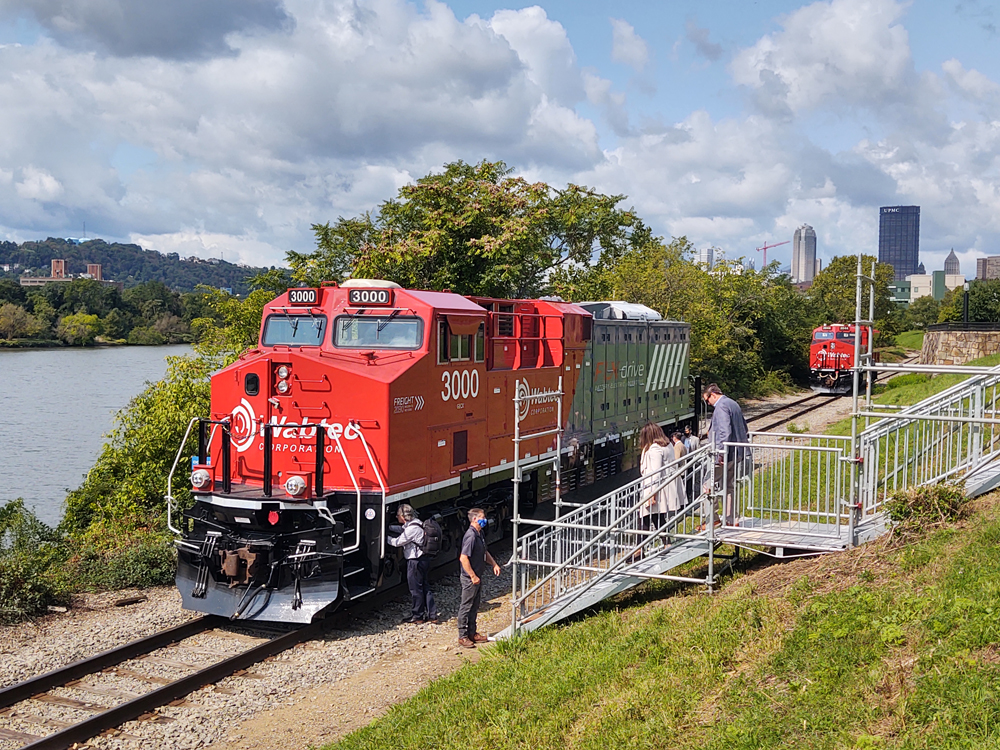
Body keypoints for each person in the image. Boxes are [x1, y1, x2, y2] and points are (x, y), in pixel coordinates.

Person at [703, 383, 749, 526]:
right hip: (736, 453)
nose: (708, 404)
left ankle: (712, 519)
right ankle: (731, 520)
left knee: (707, 484)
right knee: (728, 486)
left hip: (725, 455)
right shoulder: (733, 403)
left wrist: (720, 455)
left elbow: (725, 432)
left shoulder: (721, 406)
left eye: (707, 400)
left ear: (713, 394)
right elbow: (744, 427)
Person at [387, 504, 439, 625]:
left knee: (416, 589)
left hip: (415, 561)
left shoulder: (411, 529)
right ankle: (432, 615)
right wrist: (390, 528)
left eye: (398, 516)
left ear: (402, 517)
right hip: (423, 559)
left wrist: (384, 538)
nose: (397, 517)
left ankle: (418, 616)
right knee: (425, 587)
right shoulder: (416, 522)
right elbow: (402, 529)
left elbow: (397, 542)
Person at [457, 508, 501, 648]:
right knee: (466, 606)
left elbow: (484, 551)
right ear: (475, 519)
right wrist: (472, 576)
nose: (485, 519)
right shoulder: (470, 536)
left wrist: (493, 563)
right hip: (471, 578)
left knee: (474, 606)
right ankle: (463, 636)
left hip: (477, 576)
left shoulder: (479, 533)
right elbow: (463, 558)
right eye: (482, 517)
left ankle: (472, 633)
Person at [639, 423, 672, 541]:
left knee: (645, 519)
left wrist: (652, 493)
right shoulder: (668, 446)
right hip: (659, 488)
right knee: (656, 518)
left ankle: (638, 551)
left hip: (652, 489)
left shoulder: (654, 449)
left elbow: (655, 473)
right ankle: (666, 543)